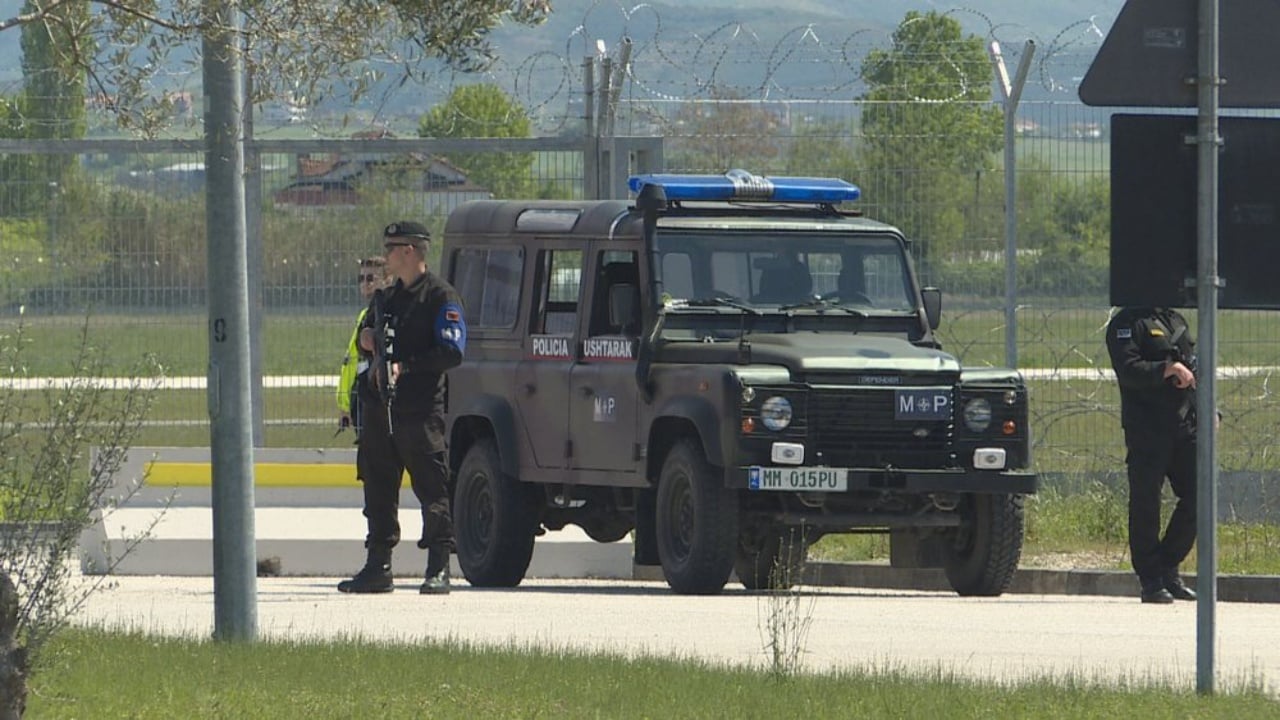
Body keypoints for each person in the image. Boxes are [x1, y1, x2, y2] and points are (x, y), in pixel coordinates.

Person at [338, 221, 467, 595]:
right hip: (380, 409)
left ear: (409, 251)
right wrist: (367, 340)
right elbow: (367, 338)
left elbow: (452, 351)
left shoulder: (440, 297)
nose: (387, 256)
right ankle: (378, 565)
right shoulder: (388, 298)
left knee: (432, 487)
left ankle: (438, 566)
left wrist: (406, 367)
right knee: (378, 486)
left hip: (419, 410)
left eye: (391, 248)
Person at [1105, 306, 1200, 604]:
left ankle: (1168, 564)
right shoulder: (1127, 323)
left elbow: (1193, 368)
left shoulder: (1174, 319)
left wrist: (1208, 408)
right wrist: (1166, 369)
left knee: (1200, 495)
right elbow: (1129, 369)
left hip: (1184, 425)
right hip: (1147, 429)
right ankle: (1150, 579)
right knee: (1146, 502)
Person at [337, 256, 388, 442]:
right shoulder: (365, 315)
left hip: (374, 398)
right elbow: (352, 361)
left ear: (387, 280)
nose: (365, 284)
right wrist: (345, 404)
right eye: (361, 278)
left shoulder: (385, 314)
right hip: (359, 397)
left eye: (370, 278)